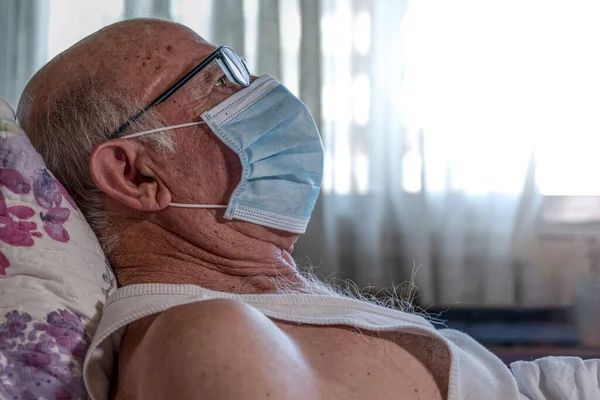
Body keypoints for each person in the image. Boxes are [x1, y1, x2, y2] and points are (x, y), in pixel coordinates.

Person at [17, 19, 599, 400]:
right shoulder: (202, 336)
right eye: (218, 81)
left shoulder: (260, 312)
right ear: (137, 174)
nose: (262, 90)